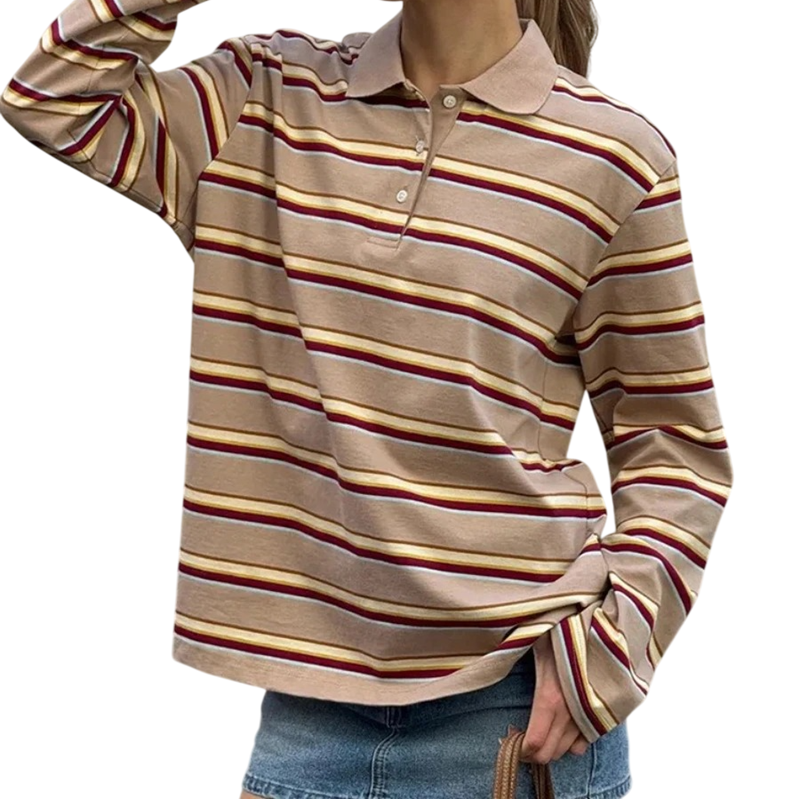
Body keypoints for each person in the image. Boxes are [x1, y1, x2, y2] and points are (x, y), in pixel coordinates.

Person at [0, 1, 733, 797]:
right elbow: (52, 97)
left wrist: (612, 650)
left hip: (515, 713)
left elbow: (673, 442)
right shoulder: (264, 94)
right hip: (309, 714)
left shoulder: (615, 153)